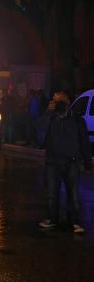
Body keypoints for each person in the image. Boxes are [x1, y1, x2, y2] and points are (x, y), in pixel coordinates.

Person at [39, 91, 91, 233]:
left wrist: (87, 161)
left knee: (73, 194)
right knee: (51, 194)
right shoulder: (50, 118)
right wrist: (47, 113)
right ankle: (51, 219)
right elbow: (40, 133)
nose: (58, 104)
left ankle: (74, 221)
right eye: (55, 101)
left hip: (71, 162)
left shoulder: (77, 120)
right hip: (53, 162)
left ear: (68, 102)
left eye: (61, 101)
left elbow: (84, 141)